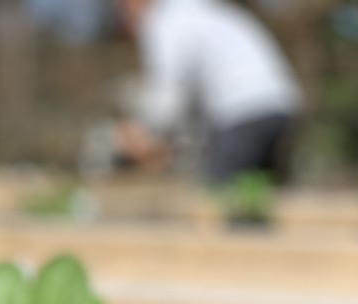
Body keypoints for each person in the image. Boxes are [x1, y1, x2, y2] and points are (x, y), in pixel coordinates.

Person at [114, 0, 302, 184]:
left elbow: (169, 98)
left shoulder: (164, 23)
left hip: (242, 111)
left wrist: (142, 133)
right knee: (261, 195)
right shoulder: (198, 9)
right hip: (281, 104)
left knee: (218, 196)